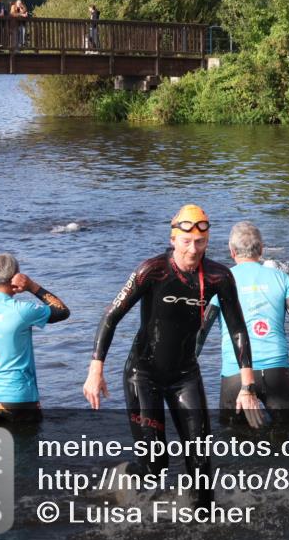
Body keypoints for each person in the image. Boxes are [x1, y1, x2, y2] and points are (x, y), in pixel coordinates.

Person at [83, 205, 264, 506]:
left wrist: (247, 387)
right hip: (143, 375)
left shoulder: (220, 277)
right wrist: (95, 369)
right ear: (173, 239)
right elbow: (110, 317)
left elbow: (238, 330)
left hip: (185, 375)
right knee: (155, 466)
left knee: (201, 463)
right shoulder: (152, 271)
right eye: (187, 242)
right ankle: (125, 475)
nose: (194, 250)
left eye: (201, 243)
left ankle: (203, 530)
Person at [198, 222, 289, 425]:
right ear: (261, 250)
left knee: (232, 444)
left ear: (231, 251)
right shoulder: (282, 278)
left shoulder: (221, 280)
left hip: (236, 374)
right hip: (276, 373)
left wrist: (184, 368)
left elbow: (201, 330)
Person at [0, 253, 70, 421]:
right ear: (15, 277)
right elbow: (62, 311)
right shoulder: (22, 310)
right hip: (19, 399)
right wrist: (32, 286)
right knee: (28, 446)